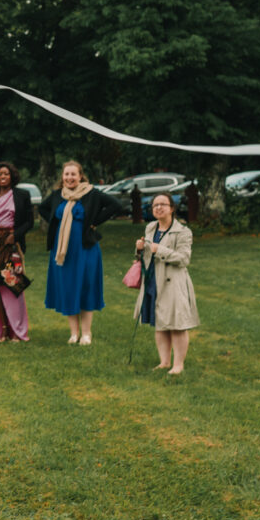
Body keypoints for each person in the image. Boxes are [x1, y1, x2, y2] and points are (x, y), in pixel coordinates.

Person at [41, 160, 126, 345]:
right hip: (62, 250)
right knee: (69, 287)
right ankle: (74, 333)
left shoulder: (92, 193)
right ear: (62, 177)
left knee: (86, 286)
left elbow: (115, 206)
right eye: (66, 174)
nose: (69, 178)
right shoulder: (57, 195)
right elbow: (42, 208)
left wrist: (95, 222)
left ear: (81, 176)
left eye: (73, 174)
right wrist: (56, 223)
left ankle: (86, 333)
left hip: (85, 248)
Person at [134, 193, 200, 374]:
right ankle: (164, 362)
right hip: (153, 280)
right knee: (160, 322)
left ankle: (178, 364)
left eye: (163, 204)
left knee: (177, 324)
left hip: (173, 282)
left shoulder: (183, 231)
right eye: (155, 205)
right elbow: (146, 256)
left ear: (172, 208)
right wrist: (139, 249)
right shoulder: (150, 228)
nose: (158, 208)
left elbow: (184, 259)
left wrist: (160, 249)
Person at [0, 161, 34, 342]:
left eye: (6, 174)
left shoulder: (22, 195)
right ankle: (2, 329)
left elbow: (29, 222)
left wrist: (16, 235)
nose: (3, 177)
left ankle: (17, 331)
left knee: (12, 284)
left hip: (12, 244)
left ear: (12, 176)